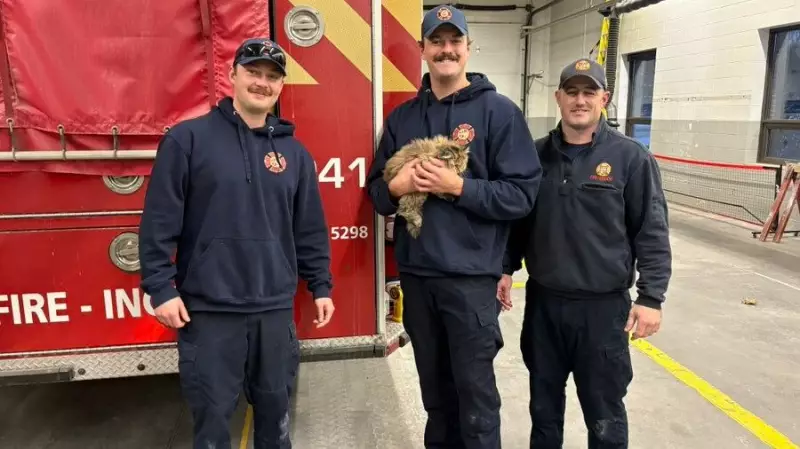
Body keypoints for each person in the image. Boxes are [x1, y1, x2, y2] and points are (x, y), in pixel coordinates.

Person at [138, 38, 335, 449]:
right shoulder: (187, 141)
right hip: (209, 310)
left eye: (272, 77)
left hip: (274, 310)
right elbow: (159, 222)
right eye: (253, 72)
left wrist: (321, 285)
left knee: (275, 417)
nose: (262, 83)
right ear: (232, 76)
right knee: (212, 423)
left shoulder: (295, 155)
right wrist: (160, 287)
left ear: (281, 86)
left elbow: (309, 228)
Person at [366, 4, 542, 449]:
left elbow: (521, 196)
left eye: (454, 41)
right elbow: (374, 193)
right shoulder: (404, 118)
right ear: (422, 50)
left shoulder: (499, 113)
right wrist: (397, 186)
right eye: (437, 42)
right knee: (436, 398)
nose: (446, 49)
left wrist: (458, 187)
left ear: (468, 48)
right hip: (419, 279)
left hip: (470, 282)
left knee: (476, 398)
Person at [499, 58, 672, 449]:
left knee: (604, 413)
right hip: (544, 307)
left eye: (589, 92)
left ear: (604, 99)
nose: (580, 100)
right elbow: (518, 224)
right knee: (543, 409)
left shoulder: (631, 158)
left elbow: (652, 231)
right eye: (572, 92)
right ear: (558, 97)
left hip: (603, 311)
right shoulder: (534, 156)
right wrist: (505, 268)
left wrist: (651, 297)